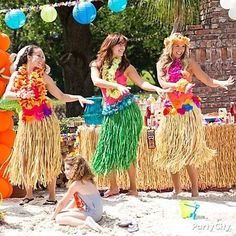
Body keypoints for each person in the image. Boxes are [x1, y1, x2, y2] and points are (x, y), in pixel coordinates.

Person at [3, 45, 93, 205]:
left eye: (43, 56)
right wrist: (21, 94)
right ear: (28, 57)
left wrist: (78, 97)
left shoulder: (44, 77)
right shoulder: (17, 75)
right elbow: (7, 94)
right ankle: (29, 194)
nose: (42, 59)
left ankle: (51, 196)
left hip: (45, 120)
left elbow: (61, 96)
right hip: (27, 123)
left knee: (47, 155)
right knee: (26, 156)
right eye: (39, 55)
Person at [90, 33, 170, 197]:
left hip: (127, 111)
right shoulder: (97, 65)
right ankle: (114, 187)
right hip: (110, 112)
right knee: (108, 148)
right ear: (109, 45)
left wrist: (156, 88)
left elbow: (141, 83)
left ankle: (133, 188)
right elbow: (96, 82)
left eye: (124, 45)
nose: (122, 48)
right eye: (118, 44)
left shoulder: (126, 66)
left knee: (126, 148)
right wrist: (116, 86)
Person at [155, 33, 235, 197]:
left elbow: (205, 78)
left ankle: (195, 190)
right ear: (169, 47)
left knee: (189, 150)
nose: (180, 49)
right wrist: (176, 85)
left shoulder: (189, 63)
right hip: (171, 112)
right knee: (172, 150)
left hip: (188, 111)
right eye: (176, 46)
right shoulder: (161, 64)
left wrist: (219, 83)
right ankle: (177, 190)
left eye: (182, 46)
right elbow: (162, 83)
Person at [51, 155, 103, 231]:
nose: (65, 172)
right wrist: (66, 210)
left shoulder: (76, 184)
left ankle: (86, 224)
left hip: (93, 214)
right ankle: (88, 221)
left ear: (76, 168)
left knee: (59, 218)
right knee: (66, 212)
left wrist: (54, 215)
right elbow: (74, 201)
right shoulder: (89, 181)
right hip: (98, 213)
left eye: (68, 169)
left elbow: (62, 203)